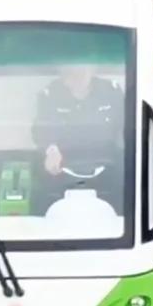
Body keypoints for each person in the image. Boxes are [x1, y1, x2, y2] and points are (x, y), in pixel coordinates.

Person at [33, 66, 123, 203]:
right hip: (63, 165)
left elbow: (127, 127)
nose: (75, 76)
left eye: (81, 71)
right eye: (70, 72)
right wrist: (51, 150)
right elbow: (41, 130)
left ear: (93, 70)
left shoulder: (111, 91)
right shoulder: (51, 94)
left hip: (107, 163)